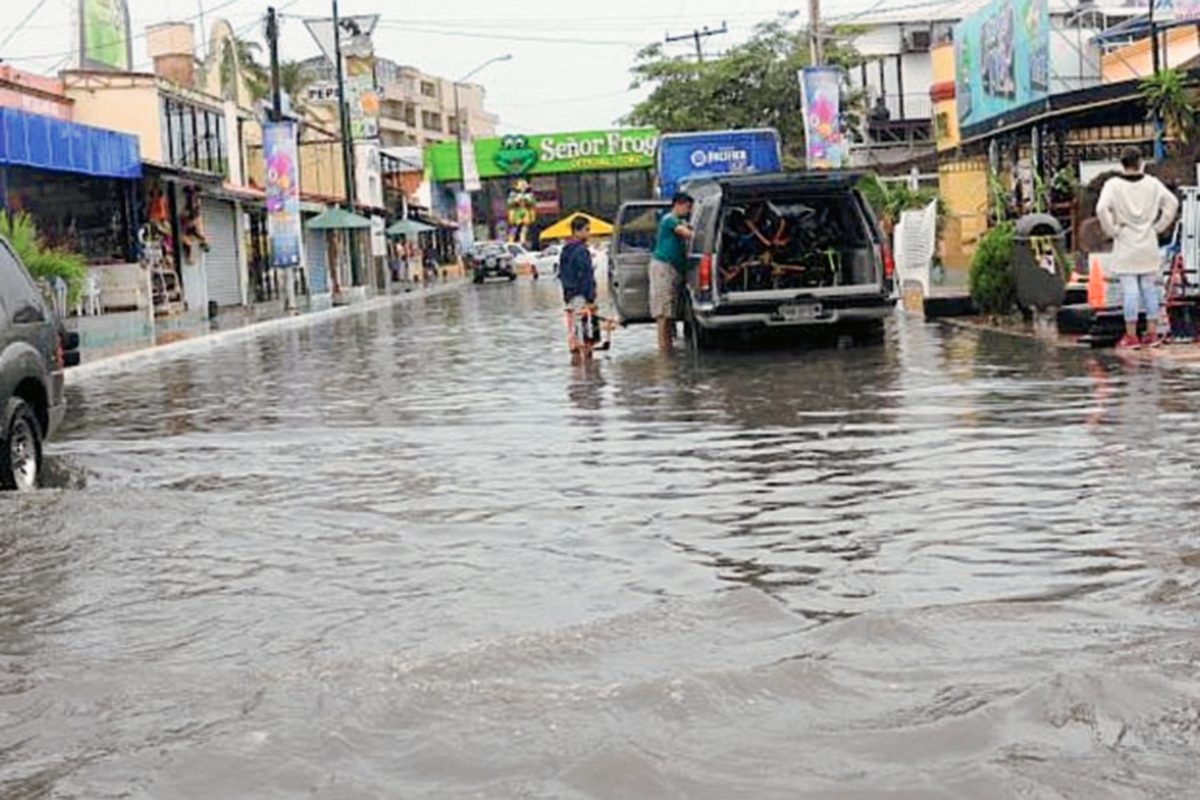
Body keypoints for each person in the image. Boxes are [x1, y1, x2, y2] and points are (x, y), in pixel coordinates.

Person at [1096, 146, 1179, 349]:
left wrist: (1113, 230)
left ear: (1122, 163)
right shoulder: (1152, 183)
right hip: (1148, 240)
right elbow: (1172, 203)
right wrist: (1159, 227)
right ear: (1140, 162)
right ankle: (1152, 333)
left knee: (1130, 289)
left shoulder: (1113, 185)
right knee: (1149, 288)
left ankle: (1131, 335)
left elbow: (1101, 209)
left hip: (1125, 240)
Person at [650, 192, 694, 352]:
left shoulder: (679, 220)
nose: (689, 211)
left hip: (673, 268)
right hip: (663, 266)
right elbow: (686, 234)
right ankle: (664, 348)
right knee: (663, 311)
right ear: (679, 204)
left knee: (670, 310)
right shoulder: (669, 219)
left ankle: (668, 346)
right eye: (688, 207)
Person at [559, 216, 599, 364]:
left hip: (569, 296)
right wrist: (590, 298)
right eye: (587, 230)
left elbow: (563, 275)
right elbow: (586, 276)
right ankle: (587, 366)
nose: (589, 233)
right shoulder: (582, 251)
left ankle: (577, 369)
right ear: (577, 231)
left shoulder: (565, 250)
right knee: (586, 334)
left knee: (574, 332)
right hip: (582, 296)